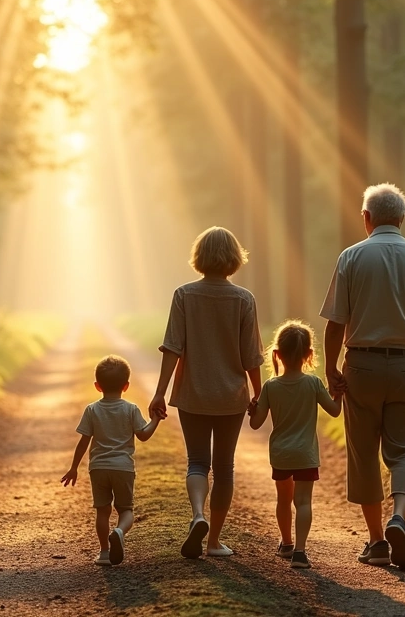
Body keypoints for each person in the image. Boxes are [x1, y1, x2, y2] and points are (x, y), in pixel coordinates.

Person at [320, 183, 405, 570]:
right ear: (402, 218)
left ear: (366, 218)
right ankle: (400, 518)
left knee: (364, 453)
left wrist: (331, 367)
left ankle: (377, 542)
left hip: (361, 365)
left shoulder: (351, 257)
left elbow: (334, 322)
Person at [149, 226, 264, 559]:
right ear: (234, 258)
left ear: (199, 257)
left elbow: (172, 347)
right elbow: (251, 356)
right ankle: (213, 541)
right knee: (224, 466)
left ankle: (197, 514)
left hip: (193, 394)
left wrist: (160, 392)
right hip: (231, 397)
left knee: (197, 462)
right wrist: (258, 396)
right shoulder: (244, 299)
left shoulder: (184, 295)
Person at [248, 321, 342, 569]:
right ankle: (300, 552)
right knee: (303, 502)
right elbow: (334, 411)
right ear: (309, 355)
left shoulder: (270, 386)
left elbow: (256, 424)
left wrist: (252, 410)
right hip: (305, 454)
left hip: (280, 454)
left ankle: (286, 543)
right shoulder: (313, 384)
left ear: (276, 354)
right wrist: (339, 394)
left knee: (283, 500)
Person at [62, 355, 161, 566]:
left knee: (103, 510)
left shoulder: (92, 410)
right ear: (126, 386)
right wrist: (155, 419)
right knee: (126, 510)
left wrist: (73, 468)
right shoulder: (131, 409)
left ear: (97, 386)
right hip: (123, 468)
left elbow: (83, 442)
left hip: (98, 468)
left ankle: (105, 552)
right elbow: (143, 435)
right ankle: (119, 531)